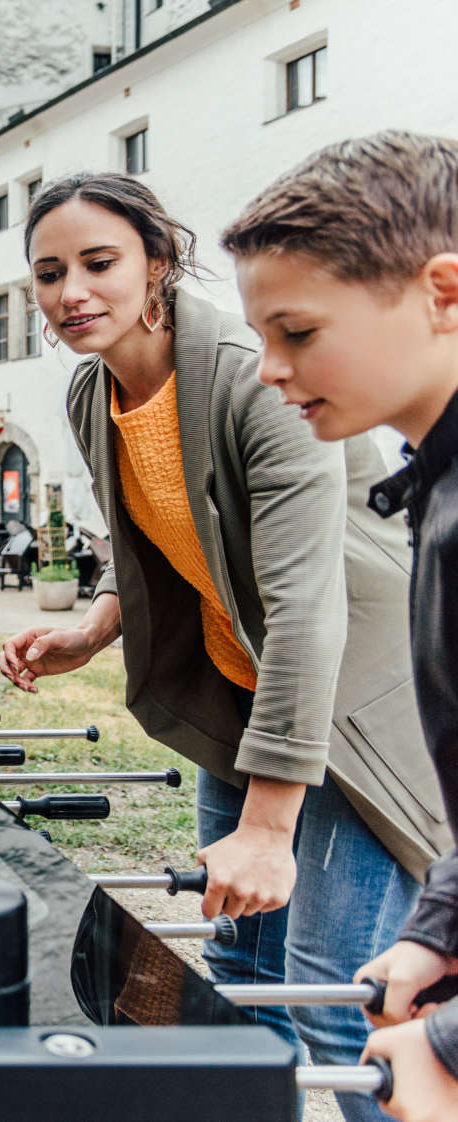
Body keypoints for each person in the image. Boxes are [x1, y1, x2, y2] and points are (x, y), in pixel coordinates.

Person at [0, 173, 445, 1121]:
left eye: (98, 263)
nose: (71, 290)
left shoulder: (254, 376)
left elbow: (307, 603)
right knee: (240, 964)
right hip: (242, 688)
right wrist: (95, 623)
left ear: (158, 264)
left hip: (346, 697)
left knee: (335, 992)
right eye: (48, 273)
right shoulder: (95, 393)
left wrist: (272, 826)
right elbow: (158, 534)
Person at [222, 131, 458, 1122]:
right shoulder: (431, 480)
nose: (269, 369)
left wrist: (448, 1046)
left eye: (299, 332)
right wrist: (439, 927)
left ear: (443, 292)